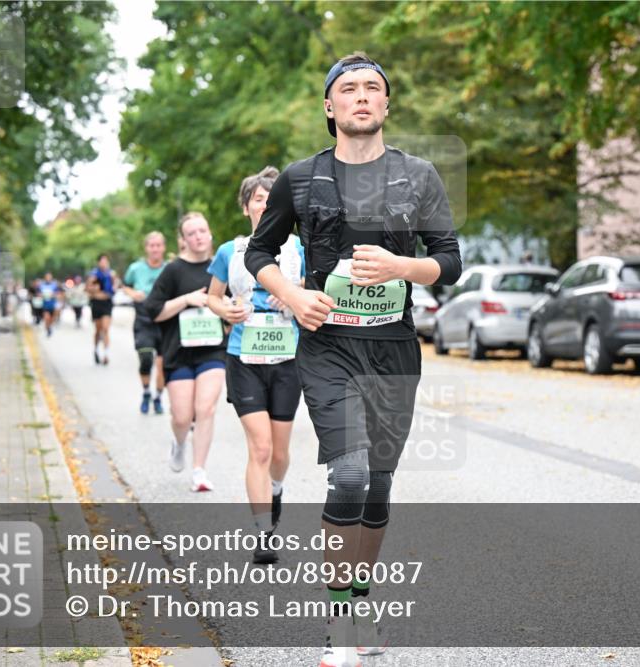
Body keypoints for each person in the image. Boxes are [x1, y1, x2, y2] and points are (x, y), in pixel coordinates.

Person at [244, 53, 462, 666]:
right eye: (349, 89)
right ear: (330, 107)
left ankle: (359, 601)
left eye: (373, 89)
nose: (361, 97)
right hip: (328, 347)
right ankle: (341, 628)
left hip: (393, 347)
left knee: (379, 487)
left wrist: (402, 267)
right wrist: (290, 296)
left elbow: (449, 260)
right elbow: (261, 251)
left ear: (387, 105)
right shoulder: (300, 178)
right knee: (351, 473)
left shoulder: (418, 177)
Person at [208, 166, 306, 565]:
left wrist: (295, 293)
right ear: (246, 207)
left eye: (272, 199)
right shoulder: (230, 252)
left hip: (288, 357)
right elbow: (211, 296)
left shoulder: (299, 248)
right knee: (260, 446)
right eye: (258, 199)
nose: (265, 205)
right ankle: (264, 533)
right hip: (243, 356)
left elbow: (320, 286)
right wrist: (226, 309)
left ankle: (277, 488)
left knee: (280, 453)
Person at [144, 212, 228, 492]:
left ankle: (199, 471)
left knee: (205, 409)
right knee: (182, 417)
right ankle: (179, 443)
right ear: (183, 239)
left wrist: (228, 307)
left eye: (202, 230)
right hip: (178, 352)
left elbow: (235, 306)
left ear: (210, 233)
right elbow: (154, 312)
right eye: (191, 233)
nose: (198, 237)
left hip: (212, 352)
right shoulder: (173, 271)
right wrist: (186, 300)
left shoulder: (223, 266)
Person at [123, 232, 169, 415]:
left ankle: (158, 397)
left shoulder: (170, 268)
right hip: (143, 320)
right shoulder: (135, 268)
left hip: (165, 320)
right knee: (146, 359)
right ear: (146, 248)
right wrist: (132, 293)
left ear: (163, 247)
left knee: (162, 364)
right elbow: (125, 285)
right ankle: (146, 393)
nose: (155, 249)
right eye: (152, 245)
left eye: (158, 245)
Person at [86, 254, 117, 365]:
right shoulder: (94, 275)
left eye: (106, 261)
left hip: (107, 303)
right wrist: (95, 290)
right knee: (98, 330)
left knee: (106, 328)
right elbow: (88, 289)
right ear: (99, 262)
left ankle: (106, 354)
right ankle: (96, 349)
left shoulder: (111, 274)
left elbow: (115, 288)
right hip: (96, 304)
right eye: (102, 261)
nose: (104, 263)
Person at [37, 272, 62, 337]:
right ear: (45, 278)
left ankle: (49, 327)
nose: (48, 278)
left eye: (49, 277)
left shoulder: (54, 285)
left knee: (52, 319)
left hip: (53, 304)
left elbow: (59, 294)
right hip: (45, 305)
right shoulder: (41, 285)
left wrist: (53, 295)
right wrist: (42, 295)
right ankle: (48, 329)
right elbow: (38, 294)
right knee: (46, 318)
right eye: (47, 277)